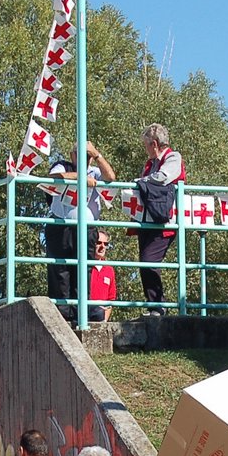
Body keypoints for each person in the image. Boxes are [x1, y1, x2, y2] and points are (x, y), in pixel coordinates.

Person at [89, 124, 184, 314]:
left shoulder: (173, 157)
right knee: (144, 263)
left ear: (154, 144)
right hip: (147, 221)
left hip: (165, 222)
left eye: (146, 145)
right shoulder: (149, 164)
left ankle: (159, 306)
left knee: (149, 261)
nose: (145, 149)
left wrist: (140, 182)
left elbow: (163, 178)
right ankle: (154, 306)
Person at [44, 142, 113, 321]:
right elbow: (55, 176)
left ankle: (82, 311)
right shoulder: (62, 165)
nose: (85, 159)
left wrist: (97, 155)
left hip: (87, 229)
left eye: (88, 156)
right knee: (61, 270)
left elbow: (110, 177)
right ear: (72, 155)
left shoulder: (95, 171)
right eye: (81, 155)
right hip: (61, 227)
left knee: (84, 270)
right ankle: (62, 313)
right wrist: (81, 178)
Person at [88, 232, 117, 322]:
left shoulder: (109, 269)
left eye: (105, 244)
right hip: (83, 311)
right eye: (99, 242)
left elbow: (111, 298)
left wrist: (104, 321)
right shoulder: (84, 266)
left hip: (100, 317)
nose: (102, 246)